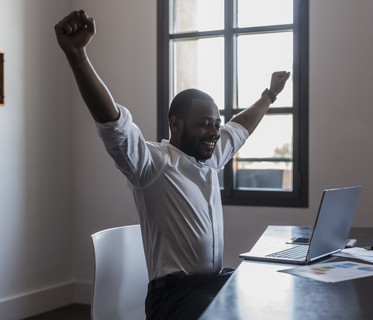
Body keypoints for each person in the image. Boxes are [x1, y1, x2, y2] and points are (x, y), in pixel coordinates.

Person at [55, 10, 290, 320]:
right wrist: (78, 57)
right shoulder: (152, 164)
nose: (214, 132)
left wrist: (270, 94)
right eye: (204, 124)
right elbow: (113, 123)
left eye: (215, 124)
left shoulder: (210, 156)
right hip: (173, 297)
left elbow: (241, 126)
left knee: (273, 296)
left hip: (212, 282)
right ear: (176, 125)